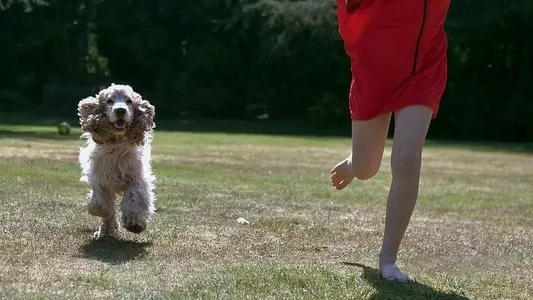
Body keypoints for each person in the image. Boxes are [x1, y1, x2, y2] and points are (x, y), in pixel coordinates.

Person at [330, 0, 451, 282]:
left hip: (424, 64)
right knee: (366, 168)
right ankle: (354, 164)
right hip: (375, 64)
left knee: (408, 158)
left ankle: (388, 260)